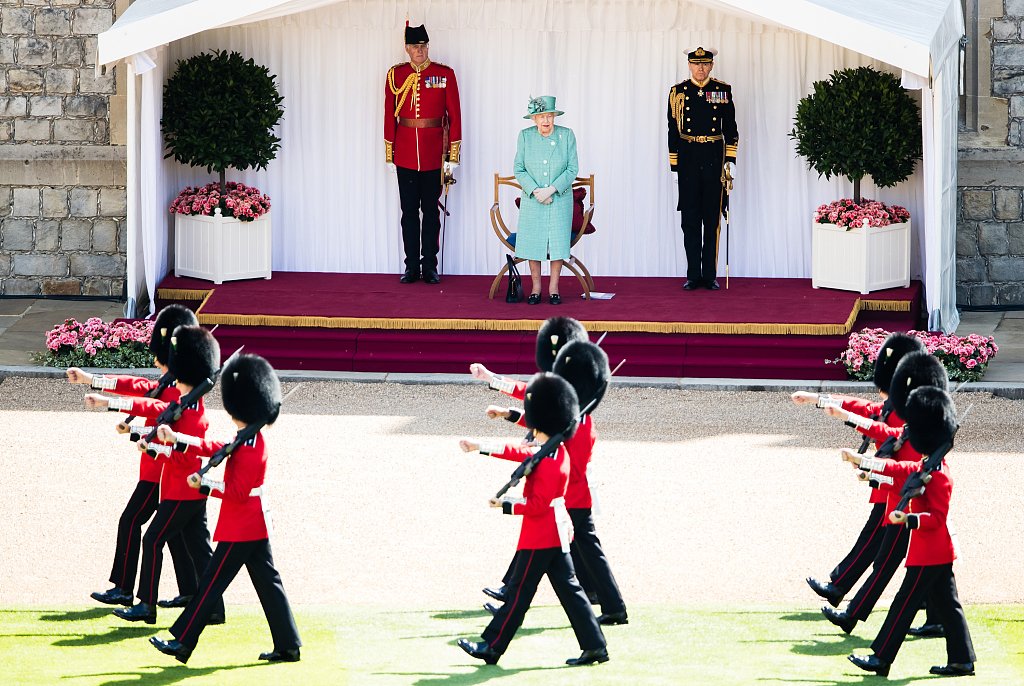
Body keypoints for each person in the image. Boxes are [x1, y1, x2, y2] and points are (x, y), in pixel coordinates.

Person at [149, 354, 302, 665]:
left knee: (210, 584)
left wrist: (203, 486)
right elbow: (216, 447)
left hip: (242, 526)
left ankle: (182, 641)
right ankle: (288, 645)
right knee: (267, 582)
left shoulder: (252, 448)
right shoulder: (247, 439)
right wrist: (178, 439)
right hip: (251, 524)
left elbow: (237, 492)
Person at [456, 373, 608, 666]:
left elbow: (537, 505)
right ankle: (595, 646)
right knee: (571, 593)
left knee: (517, 595)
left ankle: (491, 646)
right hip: (552, 534)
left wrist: (506, 505)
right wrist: (480, 446)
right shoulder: (554, 451)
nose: (532, 430)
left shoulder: (552, 460)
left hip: (541, 535)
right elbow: (519, 452)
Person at [85, 325, 223, 626]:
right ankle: (212, 606)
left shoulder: (192, 413)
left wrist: (151, 448)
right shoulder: (184, 403)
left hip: (181, 490)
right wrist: (137, 431)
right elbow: (149, 404)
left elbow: (180, 455)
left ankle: (145, 605)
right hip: (180, 489)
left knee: (152, 539)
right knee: (196, 546)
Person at [484, 341, 628, 626]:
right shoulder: (574, 416)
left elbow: (552, 439)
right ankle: (602, 600)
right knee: (571, 552)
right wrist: (506, 412)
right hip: (565, 494)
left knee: (571, 551)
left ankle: (613, 606)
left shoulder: (581, 424)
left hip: (569, 495)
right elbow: (542, 422)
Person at [72, 304, 201, 610]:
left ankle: (124, 588)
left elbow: (151, 406)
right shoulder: (170, 382)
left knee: (131, 521)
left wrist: (108, 402)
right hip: (157, 468)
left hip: (160, 472)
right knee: (176, 533)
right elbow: (141, 390)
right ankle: (190, 591)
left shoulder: (179, 388)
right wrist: (92, 379)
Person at [845, 387, 975, 678]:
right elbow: (902, 470)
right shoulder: (927, 466)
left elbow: (937, 518)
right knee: (948, 606)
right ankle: (962, 660)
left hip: (930, 552)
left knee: (903, 604)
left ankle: (881, 657)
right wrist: (866, 464)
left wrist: (909, 518)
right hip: (934, 552)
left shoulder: (940, 475)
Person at [794, 334, 926, 608]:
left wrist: (861, 451)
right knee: (914, 556)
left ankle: (841, 588)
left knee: (878, 546)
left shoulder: (907, 408)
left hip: (899, 486)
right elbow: (863, 407)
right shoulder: (895, 404)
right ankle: (934, 611)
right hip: (891, 482)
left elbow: (884, 431)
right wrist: (816, 399)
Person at [384, 23, 462, 285]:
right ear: (407, 48)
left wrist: (453, 155)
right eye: (416, 46)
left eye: (424, 46)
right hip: (405, 154)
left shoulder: (444, 74)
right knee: (408, 213)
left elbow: (455, 116)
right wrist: (389, 152)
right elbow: (389, 115)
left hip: (433, 155)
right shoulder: (396, 76)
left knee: (431, 212)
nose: (420, 50)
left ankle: (430, 265)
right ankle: (411, 267)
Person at [667, 47, 738, 291]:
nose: (700, 68)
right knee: (689, 218)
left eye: (705, 64)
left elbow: (731, 128)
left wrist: (731, 161)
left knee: (711, 218)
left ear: (711, 66)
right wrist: (674, 164)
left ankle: (709, 275)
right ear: (689, 65)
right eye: (696, 64)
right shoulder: (677, 92)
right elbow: (672, 130)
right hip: (688, 157)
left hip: (713, 156)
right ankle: (692, 275)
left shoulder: (722, 90)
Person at [513, 95, 579, 305]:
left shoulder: (567, 136)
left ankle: (554, 288)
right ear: (533, 119)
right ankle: (535, 288)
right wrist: (535, 191)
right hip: (533, 201)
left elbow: (572, 169)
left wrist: (551, 189)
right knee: (534, 242)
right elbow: (519, 169)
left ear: (554, 117)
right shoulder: (525, 136)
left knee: (557, 243)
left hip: (559, 199)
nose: (545, 121)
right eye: (541, 116)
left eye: (549, 116)